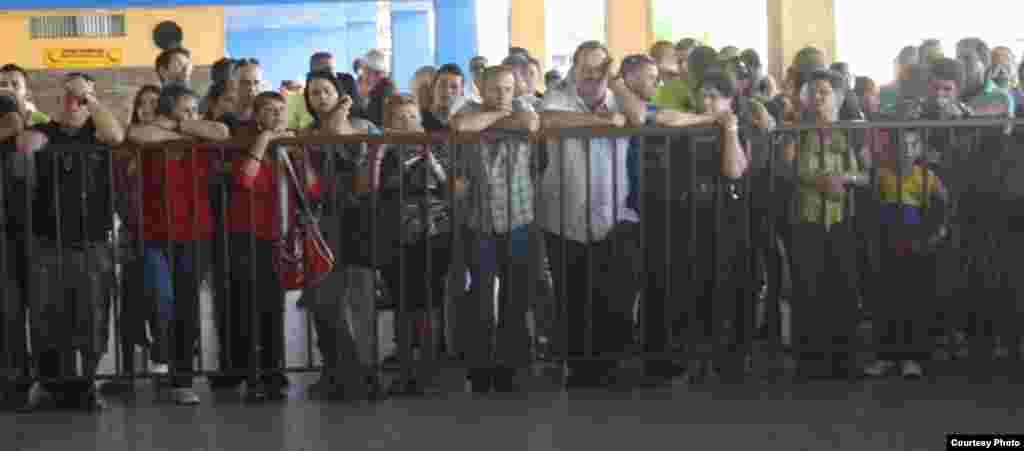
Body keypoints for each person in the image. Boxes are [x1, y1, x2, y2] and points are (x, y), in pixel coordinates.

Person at [15, 72, 125, 410]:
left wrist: (88, 98)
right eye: (68, 93)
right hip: (48, 241)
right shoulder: (46, 131)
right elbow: (25, 144)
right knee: (50, 316)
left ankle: (88, 381)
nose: (73, 99)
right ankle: (55, 384)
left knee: (93, 315)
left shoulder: (98, 132)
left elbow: (116, 135)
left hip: (92, 240)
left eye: (80, 93)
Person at [537, 41, 642, 388]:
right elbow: (547, 118)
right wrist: (600, 122)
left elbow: (638, 117)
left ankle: (611, 365)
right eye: (589, 68)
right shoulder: (558, 94)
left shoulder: (618, 96)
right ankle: (579, 369)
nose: (595, 74)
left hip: (613, 213)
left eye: (602, 68)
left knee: (613, 295)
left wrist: (616, 84)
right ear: (575, 68)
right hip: (564, 215)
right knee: (572, 294)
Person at [125, 84, 230, 405]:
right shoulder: (149, 136)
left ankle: (181, 378)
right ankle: (163, 357)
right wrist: (177, 132)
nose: (193, 115)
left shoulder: (200, 133)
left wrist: (182, 125)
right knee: (162, 298)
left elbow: (222, 131)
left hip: (195, 233)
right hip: (155, 233)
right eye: (185, 110)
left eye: (194, 110)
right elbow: (137, 135)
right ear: (167, 111)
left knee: (187, 304)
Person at [450, 66, 540, 393]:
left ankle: (510, 366)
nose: (503, 96)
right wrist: (500, 118)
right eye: (496, 89)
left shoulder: (523, 107)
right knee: (481, 296)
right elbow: (461, 125)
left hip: (519, 217)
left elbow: (530, 124)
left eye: (508, 89)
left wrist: (492, 119)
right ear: (480, 88)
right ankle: (481, 366)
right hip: (480, 220)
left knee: (516, 295)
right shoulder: (466, 109)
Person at [226, 91, 320, 401]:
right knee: (248, 306)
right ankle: (250, 373)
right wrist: (265, 139)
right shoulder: (247, 142)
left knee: (273, 306)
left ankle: (274, 371)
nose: (277, 115)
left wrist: (298, 154)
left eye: (281, 109)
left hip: (279, 235)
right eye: (269, 110)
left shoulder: (289, 148)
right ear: (257, 115)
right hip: (246, 234)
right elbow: (244, 179)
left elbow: (311, 187)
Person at [296, 71, 381, 401]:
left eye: (326, 91)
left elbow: (338, 132)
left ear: (340, 93)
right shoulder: (305, 134)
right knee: (323, 300)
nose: (320, 97)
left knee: (360, 300)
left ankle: (366, 373)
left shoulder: (361, 125)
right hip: (321, 221)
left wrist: (342, 108)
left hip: (358, 218)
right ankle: (336, 370)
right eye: (314, 93)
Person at [784, 69, 869, 380]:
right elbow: (785, 169)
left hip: (841, 217)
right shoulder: (797, 129)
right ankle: (809, 361)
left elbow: (867, 175)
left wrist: (844, 179)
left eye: (824, 92)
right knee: (807, 286)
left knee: (843, 287)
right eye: (813, 92)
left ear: (839, 96)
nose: (817, 97)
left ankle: (843, 359)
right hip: (805, 216)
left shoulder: (853, 131)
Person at [862, 120, 949, 380]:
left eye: (912, 145)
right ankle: (887, 356)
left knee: (915, 300)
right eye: (902, 145)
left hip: (916, 244)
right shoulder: (882, 174)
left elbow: (944, 204)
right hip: (888, 243)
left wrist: (938, 232)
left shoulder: (927, 176)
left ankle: (913, 357)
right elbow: (872, 209)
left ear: (919, 148)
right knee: (886, 299)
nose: (907, 151)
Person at [422, 63, 466, 131]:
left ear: (462, 93)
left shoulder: (467, 119)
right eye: (442, 84)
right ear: (432, 88)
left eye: (454, 87)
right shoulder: (418, 117)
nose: (447, 90)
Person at [362, 49, 396, 127]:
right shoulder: (382, 87)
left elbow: (375, 119)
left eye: (365, 70)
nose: (363, 75)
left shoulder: (384, 90)